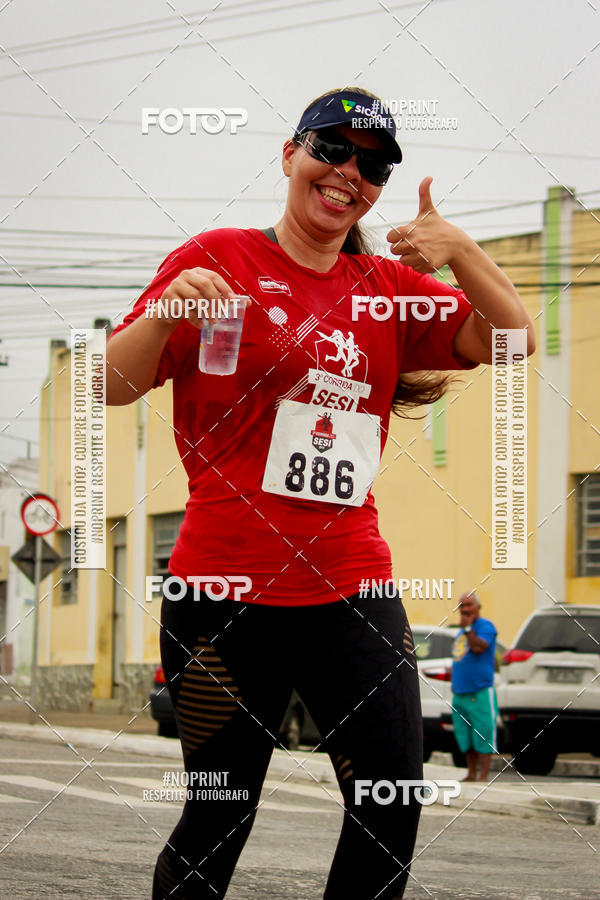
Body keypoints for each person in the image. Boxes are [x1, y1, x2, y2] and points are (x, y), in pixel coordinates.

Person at [106, 87, 534, 899]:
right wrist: (164, 316)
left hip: (351, 586)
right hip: (222, 591)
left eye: (372, 165)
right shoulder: (220, 256)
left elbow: (512, 340)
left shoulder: (384, 286)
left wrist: (462, 250)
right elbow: (112, 386)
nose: (350, 173)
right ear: (290, 156)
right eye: (332, 150)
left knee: (391, 802)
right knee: (218, 815)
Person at [451, 593, 499, 782]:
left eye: (469, 605)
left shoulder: (484, 627)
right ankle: (471, 773)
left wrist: (469, 628)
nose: (465, 609)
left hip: (480, 691)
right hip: (461, 692)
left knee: (483, 732)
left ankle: (483, 775)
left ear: (478, 607)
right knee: (465, 735)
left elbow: (479, 648)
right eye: (462, 606)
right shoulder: (461, 632)